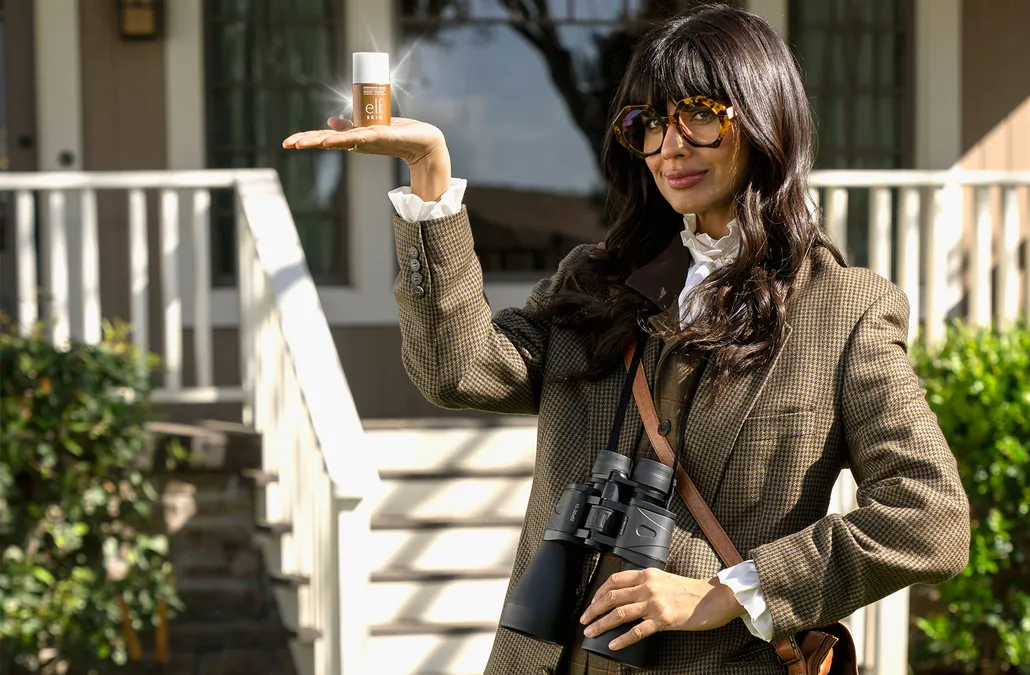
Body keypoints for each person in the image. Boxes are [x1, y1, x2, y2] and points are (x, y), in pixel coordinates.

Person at [284, 5, 971, 673]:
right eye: (650, 124)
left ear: (765, 120)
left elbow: (929, 517)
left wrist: (732, 590)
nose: (671, 147)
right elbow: (457, 369)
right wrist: (430, 178)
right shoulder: (602, 283)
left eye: (701, 116)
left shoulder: (844, 311)